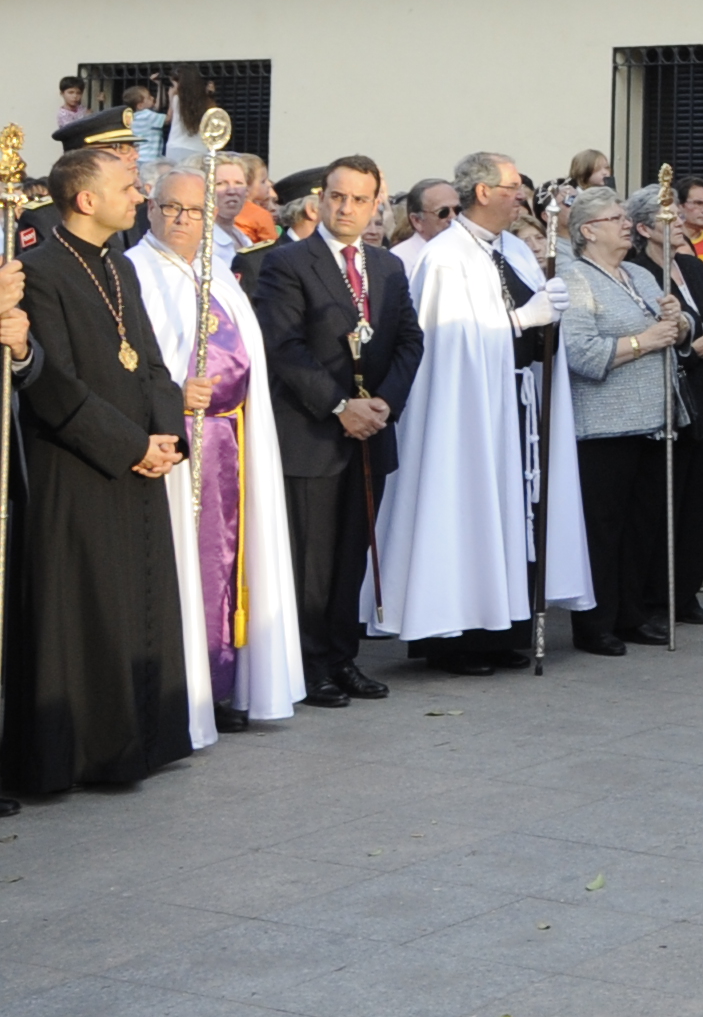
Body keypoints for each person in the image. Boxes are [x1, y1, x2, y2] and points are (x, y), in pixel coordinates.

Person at [4, 143, 193, 795]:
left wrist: (167, 434)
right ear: (86, 199)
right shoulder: (40, 270)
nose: (140, 195)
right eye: (128, 186)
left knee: (134, 601)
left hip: (137, 458)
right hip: (78, 466)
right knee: (86, 611)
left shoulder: (118, 265)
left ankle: (139, 741)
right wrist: (129, 445)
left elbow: (152, 360)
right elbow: (50, 384)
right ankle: (83, 755)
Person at [370, 153, 588, 675]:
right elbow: (446, 340)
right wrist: (520, 319)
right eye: (513, 187)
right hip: (463, 412)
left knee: (511, 510)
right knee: (465, 506)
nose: (522, 196)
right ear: (484, 192)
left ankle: (500, 628)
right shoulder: (446, 257)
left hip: (513, 398)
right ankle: (454, 638)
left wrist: (546, 318)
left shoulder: (512, 247)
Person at [130, 165, 304, 740]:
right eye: (171, 208)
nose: (183, 220)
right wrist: (174, 394)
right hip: (182, 443)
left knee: (232, 563)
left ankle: (228, 683)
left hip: (234, 437)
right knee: (191, 564)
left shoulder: (217, 273)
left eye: (195, 210)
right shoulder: (135, 273)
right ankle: (192, 690)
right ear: (149, 208)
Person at [251, 154, 423, 709]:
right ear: (319, 200)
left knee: (352, 553)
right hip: (312, 434)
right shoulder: (287, 263)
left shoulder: (387, 266)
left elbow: (409, 341)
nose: (346, 208)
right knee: (313, 561)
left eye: (359, 199)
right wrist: (339, 406)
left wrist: (381, 404)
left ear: (377, 205)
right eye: (337, 197)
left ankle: (342, 657)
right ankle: (309, 664)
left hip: (370, 431)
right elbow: (284, 348)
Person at [559, 187, 687, 656]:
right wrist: (646, 340)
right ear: (589, 230)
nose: (626, 223)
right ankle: (596, 624)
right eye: (616, 218)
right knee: (604, 527)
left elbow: (679, 329)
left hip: (655, 419)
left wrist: (681, 320)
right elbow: (581, 353)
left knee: (642, 524)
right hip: (604, 424)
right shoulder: (575, 279)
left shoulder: (637, 272)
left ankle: (633, 614)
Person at [631, 184, 703, 622]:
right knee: (663, 502)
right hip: (670, 395)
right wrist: (695, 349)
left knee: (697, 502)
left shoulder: (692, 266)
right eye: (666, 216)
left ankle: (686, 592)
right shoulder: (636, 272)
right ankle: (657, 595)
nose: (678, 224)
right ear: (643, 228)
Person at [393, 178, 459, 278]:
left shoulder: (472, 250)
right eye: (443, 212)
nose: (453, 218)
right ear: (417, 221)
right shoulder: (399, 260)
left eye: (458, 210)